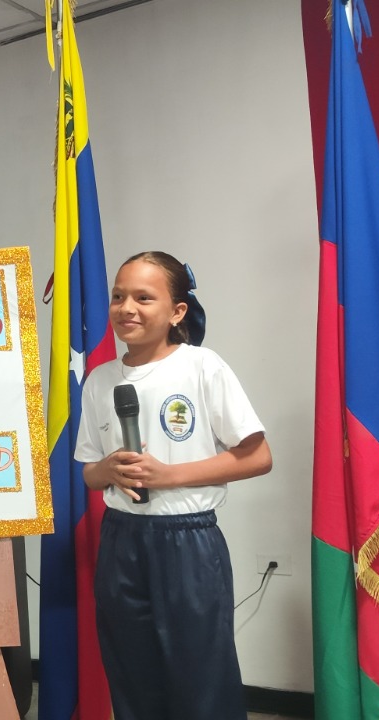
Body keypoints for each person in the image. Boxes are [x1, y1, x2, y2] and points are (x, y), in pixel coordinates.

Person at [74, 251, 272, 720]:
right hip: (121, 539)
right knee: (132, 672)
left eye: (144, 298)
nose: (127, 308)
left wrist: (169, 476)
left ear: (177, 311)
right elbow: (89, 471)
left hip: (187, 540)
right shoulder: (100, 381)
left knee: (200, 674)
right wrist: (111, 471)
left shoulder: (202, 367)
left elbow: (258, 456)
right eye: (118, 297)